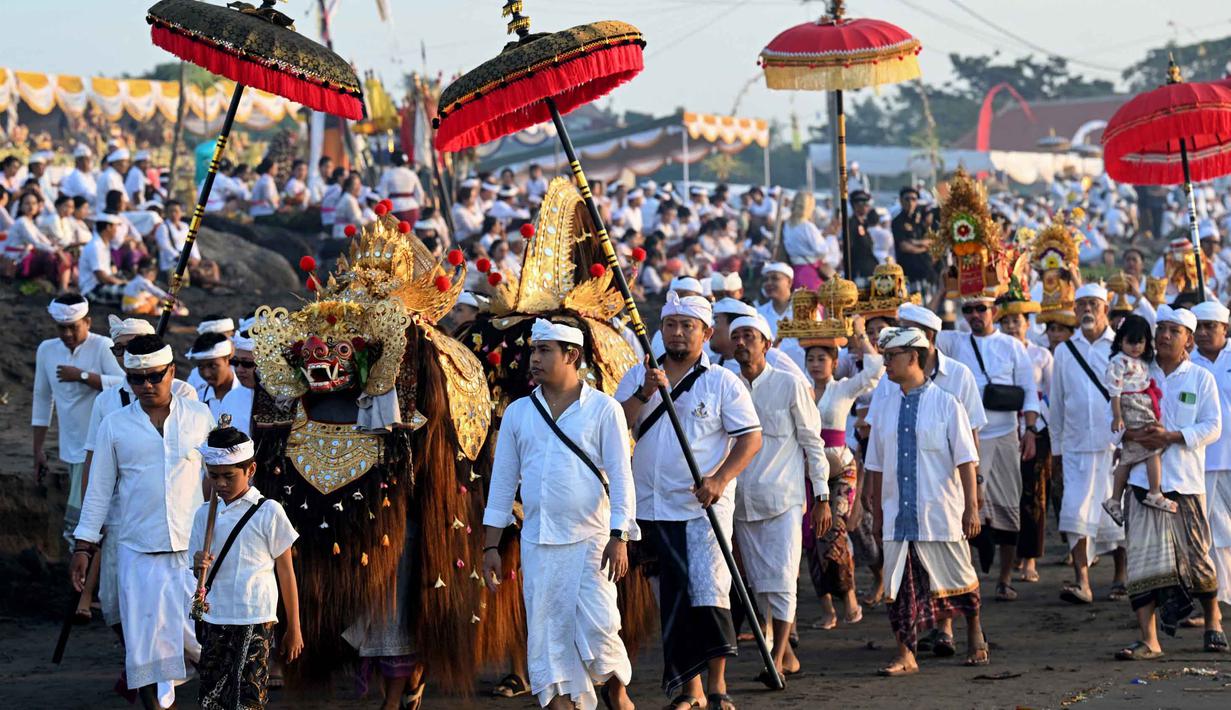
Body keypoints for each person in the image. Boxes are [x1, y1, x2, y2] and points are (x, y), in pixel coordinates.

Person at [615, 292, 762, 710]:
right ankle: (690, 691)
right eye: (670, 325)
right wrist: (644, 392)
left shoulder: (722, 382)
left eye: (687, 326)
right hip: (651, 507)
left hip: (703, 508)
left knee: (710, 594)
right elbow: (617, 425)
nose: (677, 333)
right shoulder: (638, 375)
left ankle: (717, 686)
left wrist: (719, 479)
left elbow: (751, 438)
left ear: (706, 333)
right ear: (660, 330)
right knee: (673, 599)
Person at [482, 319, 638, 710]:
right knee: (548, 644)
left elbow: (621, 478)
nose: (534, 358)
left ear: (572, 355)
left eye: (545, 351)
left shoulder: (604, 409)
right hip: (538, 543)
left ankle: (618, 696)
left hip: (593, 543)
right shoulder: (518, 413)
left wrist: (619, 536)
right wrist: (490, 545)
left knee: (602, 634)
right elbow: (502, 485)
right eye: (533, 350)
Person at [71, 334, 214, 710]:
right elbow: (99, 493)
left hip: (193, 553)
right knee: (143, 650)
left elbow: (220, 481)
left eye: (155, 376)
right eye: (138, 379)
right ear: (127, 379)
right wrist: (84, 546)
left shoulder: (200, 418)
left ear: (172, 372)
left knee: (201, 644)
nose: (147, 386)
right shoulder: (114, 425)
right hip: (138, 554)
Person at [865, 327, 986, 675]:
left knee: (960, 578)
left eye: (891, 356)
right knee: (898, 588)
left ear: (913, 358)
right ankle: (906, 654)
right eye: (884, 356)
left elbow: (966, 460)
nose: (886, 363)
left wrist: (972, 507)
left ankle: (975, 634)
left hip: (940, 512)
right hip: (896, 515)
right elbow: (874, 463)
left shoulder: (947, 404)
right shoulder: (885, 406)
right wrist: (874, 511)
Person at [1116, 306, 1227, 658]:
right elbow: (1116, 419)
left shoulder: (1200, 378)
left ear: (1188, 341)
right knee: (1143, 562)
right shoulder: (1137, 372)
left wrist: (1173, 436)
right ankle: (1149, 640)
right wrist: (1136, 434)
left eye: (1173, 331)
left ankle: (1213, 622)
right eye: (1160, 329)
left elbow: (1213, 426)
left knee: (1197, 557)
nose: (1164, 336)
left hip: (1184, 481)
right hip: (1139, 479)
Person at [729, 314, 829, 684]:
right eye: (736, 336)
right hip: (741, 501)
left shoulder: (789, 384)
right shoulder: (727, 384)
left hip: (785, 498)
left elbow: (812, 442)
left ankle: (775, 656)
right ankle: (786, 656)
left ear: (766, 344)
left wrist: (822, 495)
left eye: (749, 336)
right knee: (760, 584)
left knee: (784, 578)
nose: (741, 342)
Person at [79, 316, 197, 629]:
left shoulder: (191, 404)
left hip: (186, 531)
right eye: (121, 352)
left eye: (154, 376)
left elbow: (209, 471)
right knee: (123, 607)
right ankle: (138, 668)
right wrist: (85, 537)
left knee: (186, 619)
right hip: (128, 523)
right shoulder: (109, 409)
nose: (146, 384)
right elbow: (97, 475)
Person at [937, 296, 1041, 602]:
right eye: (967, 309)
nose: (974, 315)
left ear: (993, 312)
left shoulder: (1011, 346)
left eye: (980, 309)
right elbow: (925, 330)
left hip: (1006, 432)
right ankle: (967, 578)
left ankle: (1005, 578)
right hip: (966, 436)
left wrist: (1031, 430)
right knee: (966, 505)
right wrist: (946, 289)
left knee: (1009, 504)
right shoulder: (955, 342)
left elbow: (1029, 391)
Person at [191, 423, 302, 710]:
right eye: (213, 476)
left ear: (250, 471)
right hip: (215, 617)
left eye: (229, 476)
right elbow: (198, 572)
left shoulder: (269, 511)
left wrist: (294, 627)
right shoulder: (204, 515)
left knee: (248, 699)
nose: (221, 484)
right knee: (211, 698)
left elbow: (286, 571)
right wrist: (197, 564)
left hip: (255, 617)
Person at [1049, 284, 1128, 604]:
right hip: (1076, 446)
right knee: (1073, 512)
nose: (1086, 310)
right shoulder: (1065, 352)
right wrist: (1056, 450)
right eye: (1081, 304)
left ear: (1105, 308)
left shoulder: (1120, 349)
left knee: (1116, 512)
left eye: (1093, 304)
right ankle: (1083, 581)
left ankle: (1120, 578)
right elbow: (1057, 405)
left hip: (1114, 447)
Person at [804, 315, 883, 629]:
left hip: (842, 470)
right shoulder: (801, 390)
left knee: (834, 529)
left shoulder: (844, 389)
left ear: (835, 361)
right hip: (810, 471)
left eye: (822, 358)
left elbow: (876, 371)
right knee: (811, 537)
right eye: (810, 359)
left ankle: (848, 596)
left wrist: (860, 334)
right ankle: (827, 608)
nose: (815, 364)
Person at [33, 295, 124, 539]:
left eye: (73, 327)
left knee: (92, 521)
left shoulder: (104, 346)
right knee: (83, 522)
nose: (67, 334)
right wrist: (38, 449)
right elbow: (42, 400)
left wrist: (83, 376)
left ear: (88, 322)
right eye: (61, 328)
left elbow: (126, 383)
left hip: (103, 447)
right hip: (71, 448)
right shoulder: (46, 350)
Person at [995, 295, 1054, 584]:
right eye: (1004, 321)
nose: (1010, 327)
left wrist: (1042, 431)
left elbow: (1053, 395)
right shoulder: (996, 352)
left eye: (1015, 321)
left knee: (1033, 495)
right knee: (1006, 494)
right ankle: (1012, 551)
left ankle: (1030, 558)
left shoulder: (1042, 355)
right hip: (1003, 429)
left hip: (1035, 430)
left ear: (1027, 324)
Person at [1103, 315, 1173, 522]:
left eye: (1140, 342)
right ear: (1120, 341)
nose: (1135, 347)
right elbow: (1114, 391)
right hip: (1131, 406)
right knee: (1152, 447)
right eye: (1130, 342)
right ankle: (1153, 492)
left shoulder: (1143, 361)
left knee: (1132, 455)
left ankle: (1116, 499)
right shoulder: (1118, 362)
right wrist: (1117, 417)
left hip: (1143, 404)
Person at [1190, 301, 1231, 608]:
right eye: (1198, 327)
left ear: (1225, 329)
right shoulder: (1185, 363)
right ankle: (1215, 598)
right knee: (1209, 534)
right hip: (1203, 460)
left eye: (1209, 327)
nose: (1202, 333)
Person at [189, 333, 253, 436]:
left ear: (227, 359)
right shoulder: (197, 399)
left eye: (212, 366)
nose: (207, 373)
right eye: (201, 367)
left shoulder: (250, 394)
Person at [8, 190, 71, 292]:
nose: (31, 206)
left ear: (38, 206)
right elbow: (37, 244)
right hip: (16, 263)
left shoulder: (30, 222)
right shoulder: (22, 222)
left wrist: (55, 248)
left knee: (65, 255)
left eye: (34, 203)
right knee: (49, 256)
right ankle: (58, 286)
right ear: (20, 206)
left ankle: (63, 287)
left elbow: (43, 239)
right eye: (27, 203)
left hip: (24, 259)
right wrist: (56, 250)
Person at [892, 187, 933, 296]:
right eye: (907, 199)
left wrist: (915, 242)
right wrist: (922, 246)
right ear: (901, 200)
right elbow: (904, 246)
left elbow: (929, 241)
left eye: (914, 199)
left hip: (924, 270)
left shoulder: (918, 220)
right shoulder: (897, 221)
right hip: (908, 272)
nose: (910, 202)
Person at [377, 152, 425, 224]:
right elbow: (420, 193)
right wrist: (420, 205)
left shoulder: (387, 174)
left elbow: (382, 195)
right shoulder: (412, 174)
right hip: (412, 208)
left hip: (395, 209)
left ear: (392, 161)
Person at [846, 191, 878, 283]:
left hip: (868, 269)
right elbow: (850, 247)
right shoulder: (852, 224)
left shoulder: (864, 224)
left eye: (867, 203)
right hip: (858, 270)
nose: (866, 206)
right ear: (855, 205)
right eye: (862, 203)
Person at [95, 148, 129, 214]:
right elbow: (118, 202)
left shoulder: (115, 175)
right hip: (109, 213)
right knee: (151, 216)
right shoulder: (110, 177)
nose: (127, 165)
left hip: (118, 212)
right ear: (116, 163)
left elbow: (126, 200)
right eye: (125, 162)